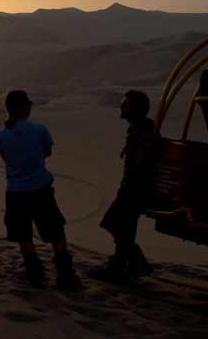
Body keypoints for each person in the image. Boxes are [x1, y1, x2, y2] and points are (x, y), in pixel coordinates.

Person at [0, 90, 81, 289]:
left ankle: (34, 273)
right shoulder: (40, 129)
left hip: (16, 192)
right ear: (25, 107)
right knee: (56, 232)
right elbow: (47, 151)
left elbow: (6, 158)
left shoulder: (1, 134)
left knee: (23, 234)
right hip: (40, 189)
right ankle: (65, 274)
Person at [90, 90, 160, 283]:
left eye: (126, 104)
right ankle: (122, 265)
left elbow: (142, 164)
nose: (121, 106)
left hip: (135, 189)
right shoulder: (139, 128)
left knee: (116, 223)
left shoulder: (142, 131)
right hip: (134, 188)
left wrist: (130, 188)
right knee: (122, 227)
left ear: (135, 109)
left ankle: (133, 264)